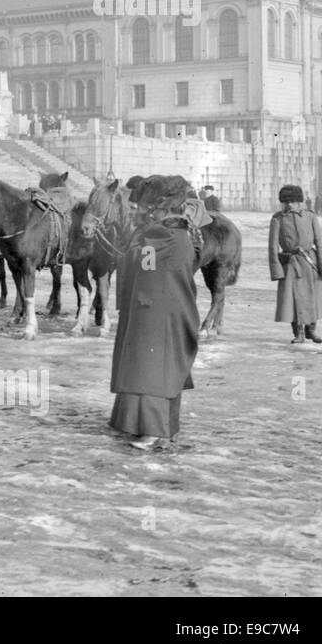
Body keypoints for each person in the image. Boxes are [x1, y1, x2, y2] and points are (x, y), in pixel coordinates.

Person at [110, 179, 203, 449]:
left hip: (155, 312)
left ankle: (153, 431)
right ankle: (162, 428)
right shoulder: (184, 233)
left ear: (161, 209)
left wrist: (130, 248)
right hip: (173, 307)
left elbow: (144, 263)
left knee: (150, 371)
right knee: (160, 370)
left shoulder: (161, 234)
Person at [269, 185, 322, 345]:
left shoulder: (310, 217)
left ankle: (311, 330)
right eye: (285, 202)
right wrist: (276, 270)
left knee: (315, 298)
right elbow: (272, 247)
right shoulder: (278, 219)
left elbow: (320, 241)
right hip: (291, 264)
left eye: (292, 201)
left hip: (310, 262)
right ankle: (298, 333)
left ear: (299, 201)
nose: (288, 205)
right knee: (293, 300)